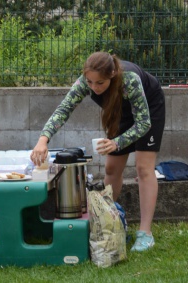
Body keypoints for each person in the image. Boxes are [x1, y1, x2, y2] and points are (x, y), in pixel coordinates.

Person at [31, 52, 165, 252]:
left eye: (100, 83)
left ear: (112, 74)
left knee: (143, 168)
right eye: (90, 82)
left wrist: (117, 143)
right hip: (121, 112)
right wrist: (43, 139)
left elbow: (144, 123)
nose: (94, 88)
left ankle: (145, 233)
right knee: (111, 168)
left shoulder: (130, 80)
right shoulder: (87, 82)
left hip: (148, 110)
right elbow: (63, 110)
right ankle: (109, 222)